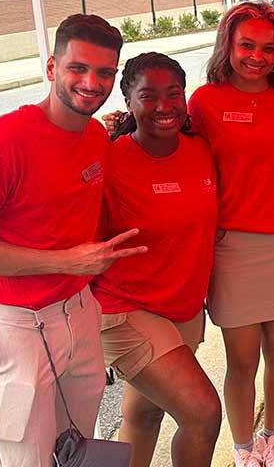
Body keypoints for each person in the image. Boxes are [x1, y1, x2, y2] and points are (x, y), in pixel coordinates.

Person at [0, 14, 142, 466]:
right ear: (51, 68)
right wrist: (67, 261)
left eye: (105, 72)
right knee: (28, 460)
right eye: (77, 68)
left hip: (79, 313)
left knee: (78, 451)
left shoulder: (95, 136)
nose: (91, 82)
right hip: (12, 327)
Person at [188, 2, 274, 467]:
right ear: (228, 46)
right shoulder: (204, 101)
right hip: (232, 244)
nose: (257, 56)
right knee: (241, 358)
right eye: (247, 46)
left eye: (268, 49)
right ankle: (243, 449)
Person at [96, 52, 222, 467]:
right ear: (128, 101)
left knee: (145, 412)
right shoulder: (108, 160)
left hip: (181, 308)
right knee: (202, 414)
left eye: (173, 94)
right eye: (148, 96)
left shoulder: (200, 149)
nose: (164, 106)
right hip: (124, 307)